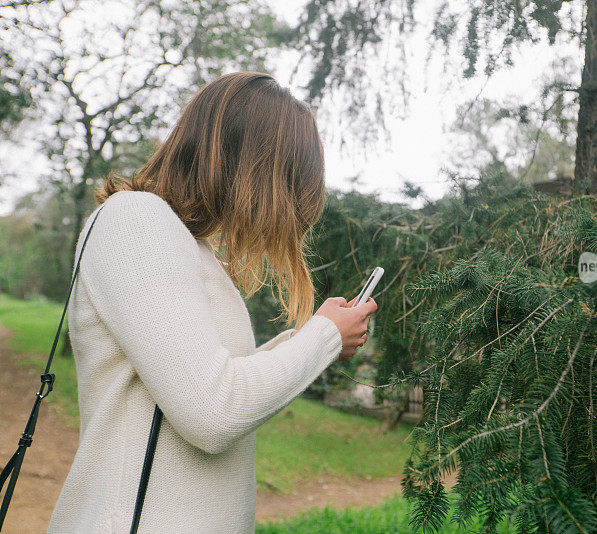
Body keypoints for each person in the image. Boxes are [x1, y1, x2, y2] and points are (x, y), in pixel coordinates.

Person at [47, 71, 377, 533]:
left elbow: (211, 381)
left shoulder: (184, 243)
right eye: (285, 182)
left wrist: (310, 341)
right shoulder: (137, 222)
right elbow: (214, 412)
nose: (283, 207)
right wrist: (321, 338)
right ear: (249, 165)